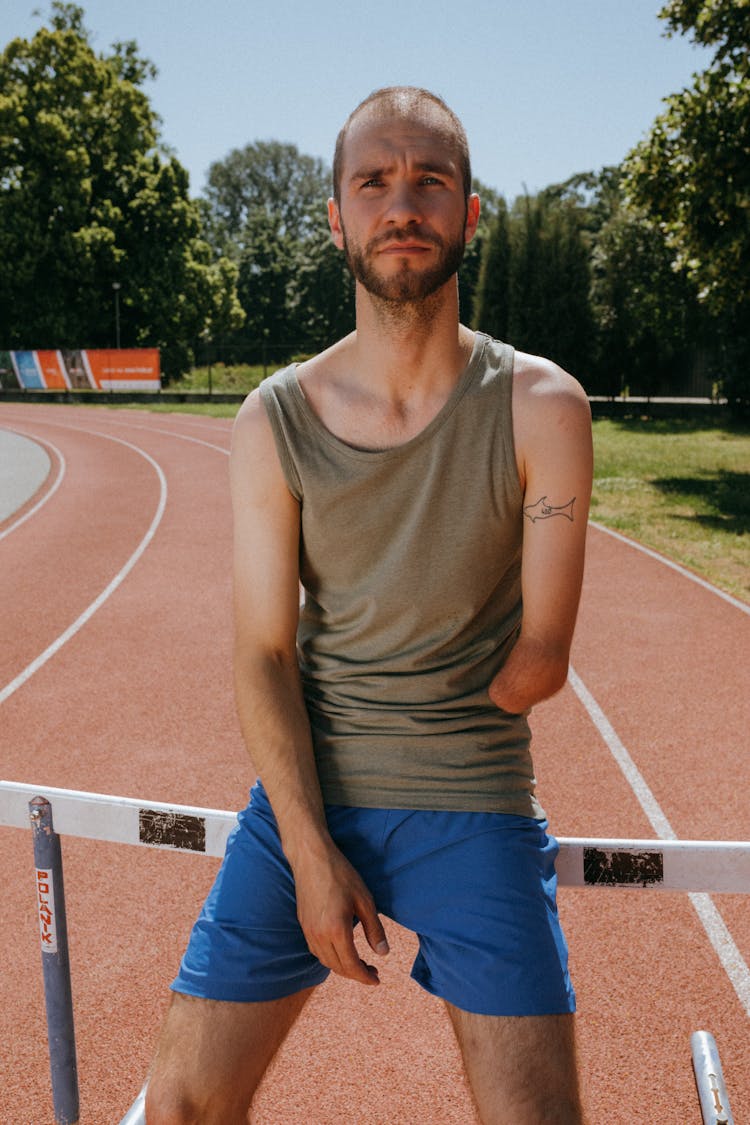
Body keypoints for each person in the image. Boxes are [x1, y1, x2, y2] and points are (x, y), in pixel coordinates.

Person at [146, 86, 593, 1125]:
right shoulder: (275, 418)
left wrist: (432, 714)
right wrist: (308, 850)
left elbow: (544, 655)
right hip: (307, 797)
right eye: (374, 182)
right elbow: (262, 653)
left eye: (431, 181)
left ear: (471, 215)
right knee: (179, 1108)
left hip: (476, 800)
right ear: (336, 217)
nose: (404, 205)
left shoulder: (543, 406)